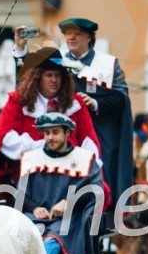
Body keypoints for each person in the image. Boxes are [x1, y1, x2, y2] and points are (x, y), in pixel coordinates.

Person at [0, 47, 102, 195]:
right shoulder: (18, 101)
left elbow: (89, 142)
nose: (54, 80)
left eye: (58, 75)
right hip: (30, 177)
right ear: (37, 77)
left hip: (68, 177)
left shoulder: (75, 103)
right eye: (49, 75)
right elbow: (3, 137)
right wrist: (38, 147)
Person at [52, 18, 133, 201]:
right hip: (66, 130)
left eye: (76, 34)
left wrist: (95, 102)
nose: (71, 38)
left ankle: (103, 212)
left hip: (100, 129)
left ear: (89, 37)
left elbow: (121, 98)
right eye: (68, 34)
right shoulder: (57, 61)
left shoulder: (108, 64)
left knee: (102, 170)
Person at [20, 112, 103, 254]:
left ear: (67, 133)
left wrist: (68, 202)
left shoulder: (85, 159)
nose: (50, 137)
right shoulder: (31, 158)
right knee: (19, 231)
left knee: (56, 236)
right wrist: (35, 208)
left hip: (71, 219)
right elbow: (21, 193)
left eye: (55, 132)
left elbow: (94, 191)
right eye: (47, 133)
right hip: (36, 217)